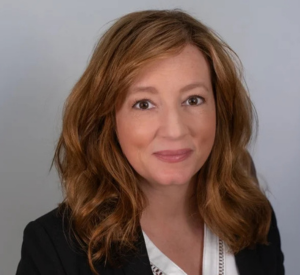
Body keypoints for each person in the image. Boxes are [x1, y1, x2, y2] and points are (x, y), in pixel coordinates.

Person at [16, 9, 284, 275]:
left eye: (193, 99)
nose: (175, 130)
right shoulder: (54, 251)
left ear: (220, 110)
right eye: (144, 104)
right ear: (107, 119)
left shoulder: (254, 218)